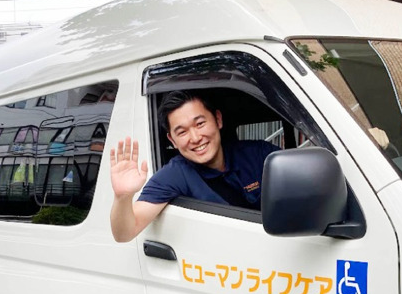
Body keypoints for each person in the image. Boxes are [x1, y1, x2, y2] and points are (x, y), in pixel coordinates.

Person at [109, 91, 278, 242]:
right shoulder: (175, 174)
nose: (196, 137)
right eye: (182, 132)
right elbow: (125, 233)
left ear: (218, 119)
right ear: (172, 140)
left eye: (200, 124)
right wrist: (122, 197)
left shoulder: (259, 153)